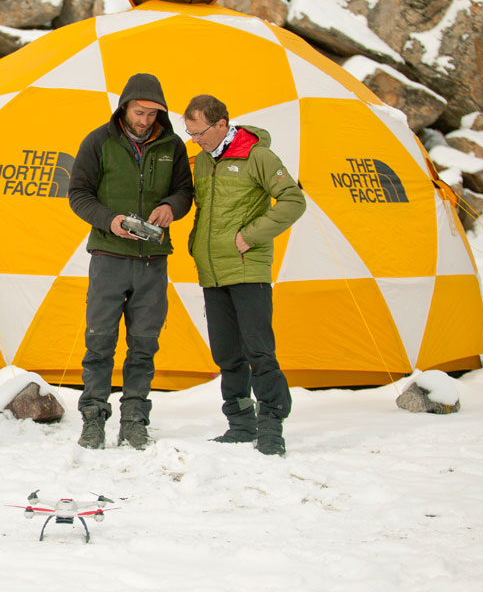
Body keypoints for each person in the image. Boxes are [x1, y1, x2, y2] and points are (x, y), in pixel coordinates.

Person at [67, 73, 194, 450]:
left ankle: (135, 419)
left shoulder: (173, 145)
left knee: (144, 344)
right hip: (108, 257)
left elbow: (185, 191)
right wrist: (111, 221)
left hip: (153, 260)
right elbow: (77, 194)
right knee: (99, 341)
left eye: (153, 113)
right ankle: (93, 418)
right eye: (139, 112)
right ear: (124, 107)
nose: (145, 120)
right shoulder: (98, 141)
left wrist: (172, 207)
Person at [183, 94, 306, 456]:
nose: (196, 140)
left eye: (200, 132)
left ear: (222, 124)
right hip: (212, 271)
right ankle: (240, 423)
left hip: (247, 269)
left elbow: (293, 201)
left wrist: (249, 237)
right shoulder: (203, 163)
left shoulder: (258, 156)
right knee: (226, 353)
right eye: (190, 133)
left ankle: (271, 426)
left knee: (259, 351)